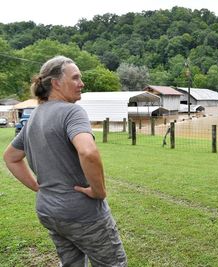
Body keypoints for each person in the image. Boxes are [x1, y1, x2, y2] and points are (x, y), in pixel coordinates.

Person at [3, 56, 127, 266]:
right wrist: (99, 192)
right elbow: (88, 152)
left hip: (49, 211)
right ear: (56, 83)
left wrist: (37, 187)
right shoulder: (72, 112)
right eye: (76, 78)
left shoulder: (34, 116)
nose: (82, 83)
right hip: (82, 213)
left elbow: (11, 157)